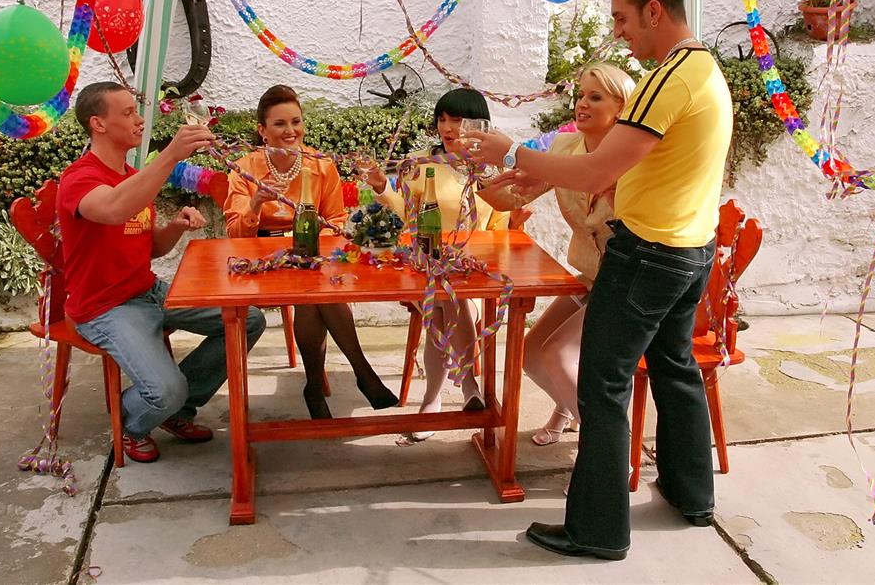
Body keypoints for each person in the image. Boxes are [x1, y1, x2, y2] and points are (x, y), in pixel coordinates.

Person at [468, 0, 732, 560]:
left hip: (649, 253)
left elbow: (595, 171)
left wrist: (512, 150)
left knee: (603, 384)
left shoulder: (669, 78)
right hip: (690, 248)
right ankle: (691, 494)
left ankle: (597, 529)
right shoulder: (704, 71)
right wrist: (535, 171)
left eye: (622, 18)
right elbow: (625, 165)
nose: (618, 32)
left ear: (654, 11)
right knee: (674, 368)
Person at [58, 81, 267, 464]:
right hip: (105, 307)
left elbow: (149, 247)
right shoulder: (80, 179)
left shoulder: (129, 174)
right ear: (97, 124)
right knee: (163, 391)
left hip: (148, 291)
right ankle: (133, 421)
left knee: (248, 319)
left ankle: (177, 409)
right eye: (127, 113)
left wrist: (174, 227)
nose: (139, 120)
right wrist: (171, 155)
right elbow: (114, 210)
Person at [478, 62, 634, 448]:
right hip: (590, 277)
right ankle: (571, 410)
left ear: (621, 107)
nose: (582, 104)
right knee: (531, 353)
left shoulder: (636, 156)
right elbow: (512, 198)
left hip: (629, 284)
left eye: (595, 97)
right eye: (580, 95)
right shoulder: (565, 148)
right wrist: (482, 172)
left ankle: (610, 447)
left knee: (559, 353)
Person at [219, 84, 398, 420]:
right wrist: (255, 204)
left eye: (296, 122)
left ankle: (316, 385)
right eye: (280, 124)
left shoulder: (321, 164)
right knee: (314, 290)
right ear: (262, 130)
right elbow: (235, 234)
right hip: (264, 264)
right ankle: (360, 374)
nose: (290, 131)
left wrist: (313, 244)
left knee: (313, 290)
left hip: (311, 255)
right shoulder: (244, 168)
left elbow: (336, 220)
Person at [361, 88, 513, 439]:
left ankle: (431, 401)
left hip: (474, 272)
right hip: (423, 268)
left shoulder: (491, 171)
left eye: (456, 120)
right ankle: (468, 386)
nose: (447, 127)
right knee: (444, 295)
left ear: (478, 125)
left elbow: (499, 231)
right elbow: (404, 218)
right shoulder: (421, 165)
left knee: (447, 302)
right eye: (442, 119)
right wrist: (382, 186)